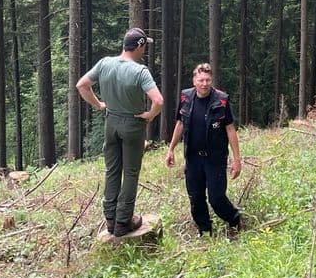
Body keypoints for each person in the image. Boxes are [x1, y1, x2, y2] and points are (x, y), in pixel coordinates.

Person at [76, 28, 164, 236]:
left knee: (112, 170)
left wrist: (98, 104)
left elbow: (82, 85)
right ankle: (124, 221)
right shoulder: (140, 71)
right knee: (131, 172)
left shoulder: (105, 63)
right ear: (140, 46)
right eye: (145, 46)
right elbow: (158, 100)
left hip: (111, 122)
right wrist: (150, 115)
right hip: (132, 125)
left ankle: (110, 218)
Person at [166, 63, 243, 236]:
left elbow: (230, 129)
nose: (204, 83)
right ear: (194, 80)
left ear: (212, 80)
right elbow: (180, 123)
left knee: (216, 198)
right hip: (193, 158)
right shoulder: (186, 97)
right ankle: (205, 231)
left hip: (215, 158)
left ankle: (234, 218)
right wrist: (170, 149)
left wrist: (237, 160)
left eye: (208, 80)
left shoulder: (221, 100)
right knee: (196, 197)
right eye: (201, 80)